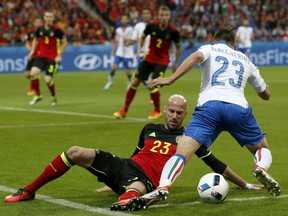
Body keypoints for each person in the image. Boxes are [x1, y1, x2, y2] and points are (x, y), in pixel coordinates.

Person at [3, 94, 263, 211]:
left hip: (146, 180)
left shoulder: (190, 139)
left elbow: (217, 166)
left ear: (186, 114)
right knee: (74, 151)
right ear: (165, 110)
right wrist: (110, 181)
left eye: (179, 112)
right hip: (124, 166)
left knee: (135, 189)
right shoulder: (149, 128)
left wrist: (245, 184)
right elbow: (136, 153)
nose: (174, 116)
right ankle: (29, 189)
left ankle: (130, 201)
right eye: (170, 111)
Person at [124, 23, 281, 211]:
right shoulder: (245, 59)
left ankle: (163, 187)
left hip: (209, 108)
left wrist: (171, 79)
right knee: (261, 148)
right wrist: (256, 76)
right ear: (235, 45)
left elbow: (197, 56)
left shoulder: (209, 48)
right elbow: (266, 95)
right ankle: (261, 168)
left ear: (215, 39)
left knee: (182, 152)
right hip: (238, 108)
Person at [113, 5, 182, 120]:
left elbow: (179, 47)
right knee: (134, 82)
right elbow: (142, 38)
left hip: (162, 61)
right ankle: (124, 110)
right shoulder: (151, 26)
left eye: (166, 15)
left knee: (152, 83)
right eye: (161, 15)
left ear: (169, 17)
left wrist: (175, 63)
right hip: (149, 58)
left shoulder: (173, 31)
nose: (164, 17)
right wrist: (139, 49)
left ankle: (157, 110)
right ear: (158, 16)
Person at [28, 11, 68, 107]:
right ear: (44, 18)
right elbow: (36, 40)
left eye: (50, 16)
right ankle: (38, 95)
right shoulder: (39, 29)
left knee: (47, 80)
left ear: (53, 18)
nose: (49, 18)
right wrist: (32, 51)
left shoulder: (57, 30)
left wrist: (59, 55)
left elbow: (65, 42)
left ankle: (53, 96)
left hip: (52, 58)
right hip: (41, 56)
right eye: (47, 16)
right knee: (32, 73)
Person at [103, 14, 134, 91]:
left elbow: (135, 39)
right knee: (114, 67)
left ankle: (130, 82)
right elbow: (117, 41)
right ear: (120, 21)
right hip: (119, 52)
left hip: (128, 53)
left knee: (128, 71)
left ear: (128, 20)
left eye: (125, 19)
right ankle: (110, 82)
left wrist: (128, 40)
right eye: (122, 19)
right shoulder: (118, 30)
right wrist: (114, 49)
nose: (124, 20)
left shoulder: (131, 29)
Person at [24, 18, 43, 96]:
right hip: (32, 54)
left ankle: (32, 89)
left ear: (41, 23)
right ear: (34, 23)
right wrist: (30, 49)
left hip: (39, 55)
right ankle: (36, 80)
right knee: (27, 74)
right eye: (36, 22)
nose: (38, 23)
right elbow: (26, 42)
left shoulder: (44, 33)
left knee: (32, 73)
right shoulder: (30, 33)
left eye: (39, 22)